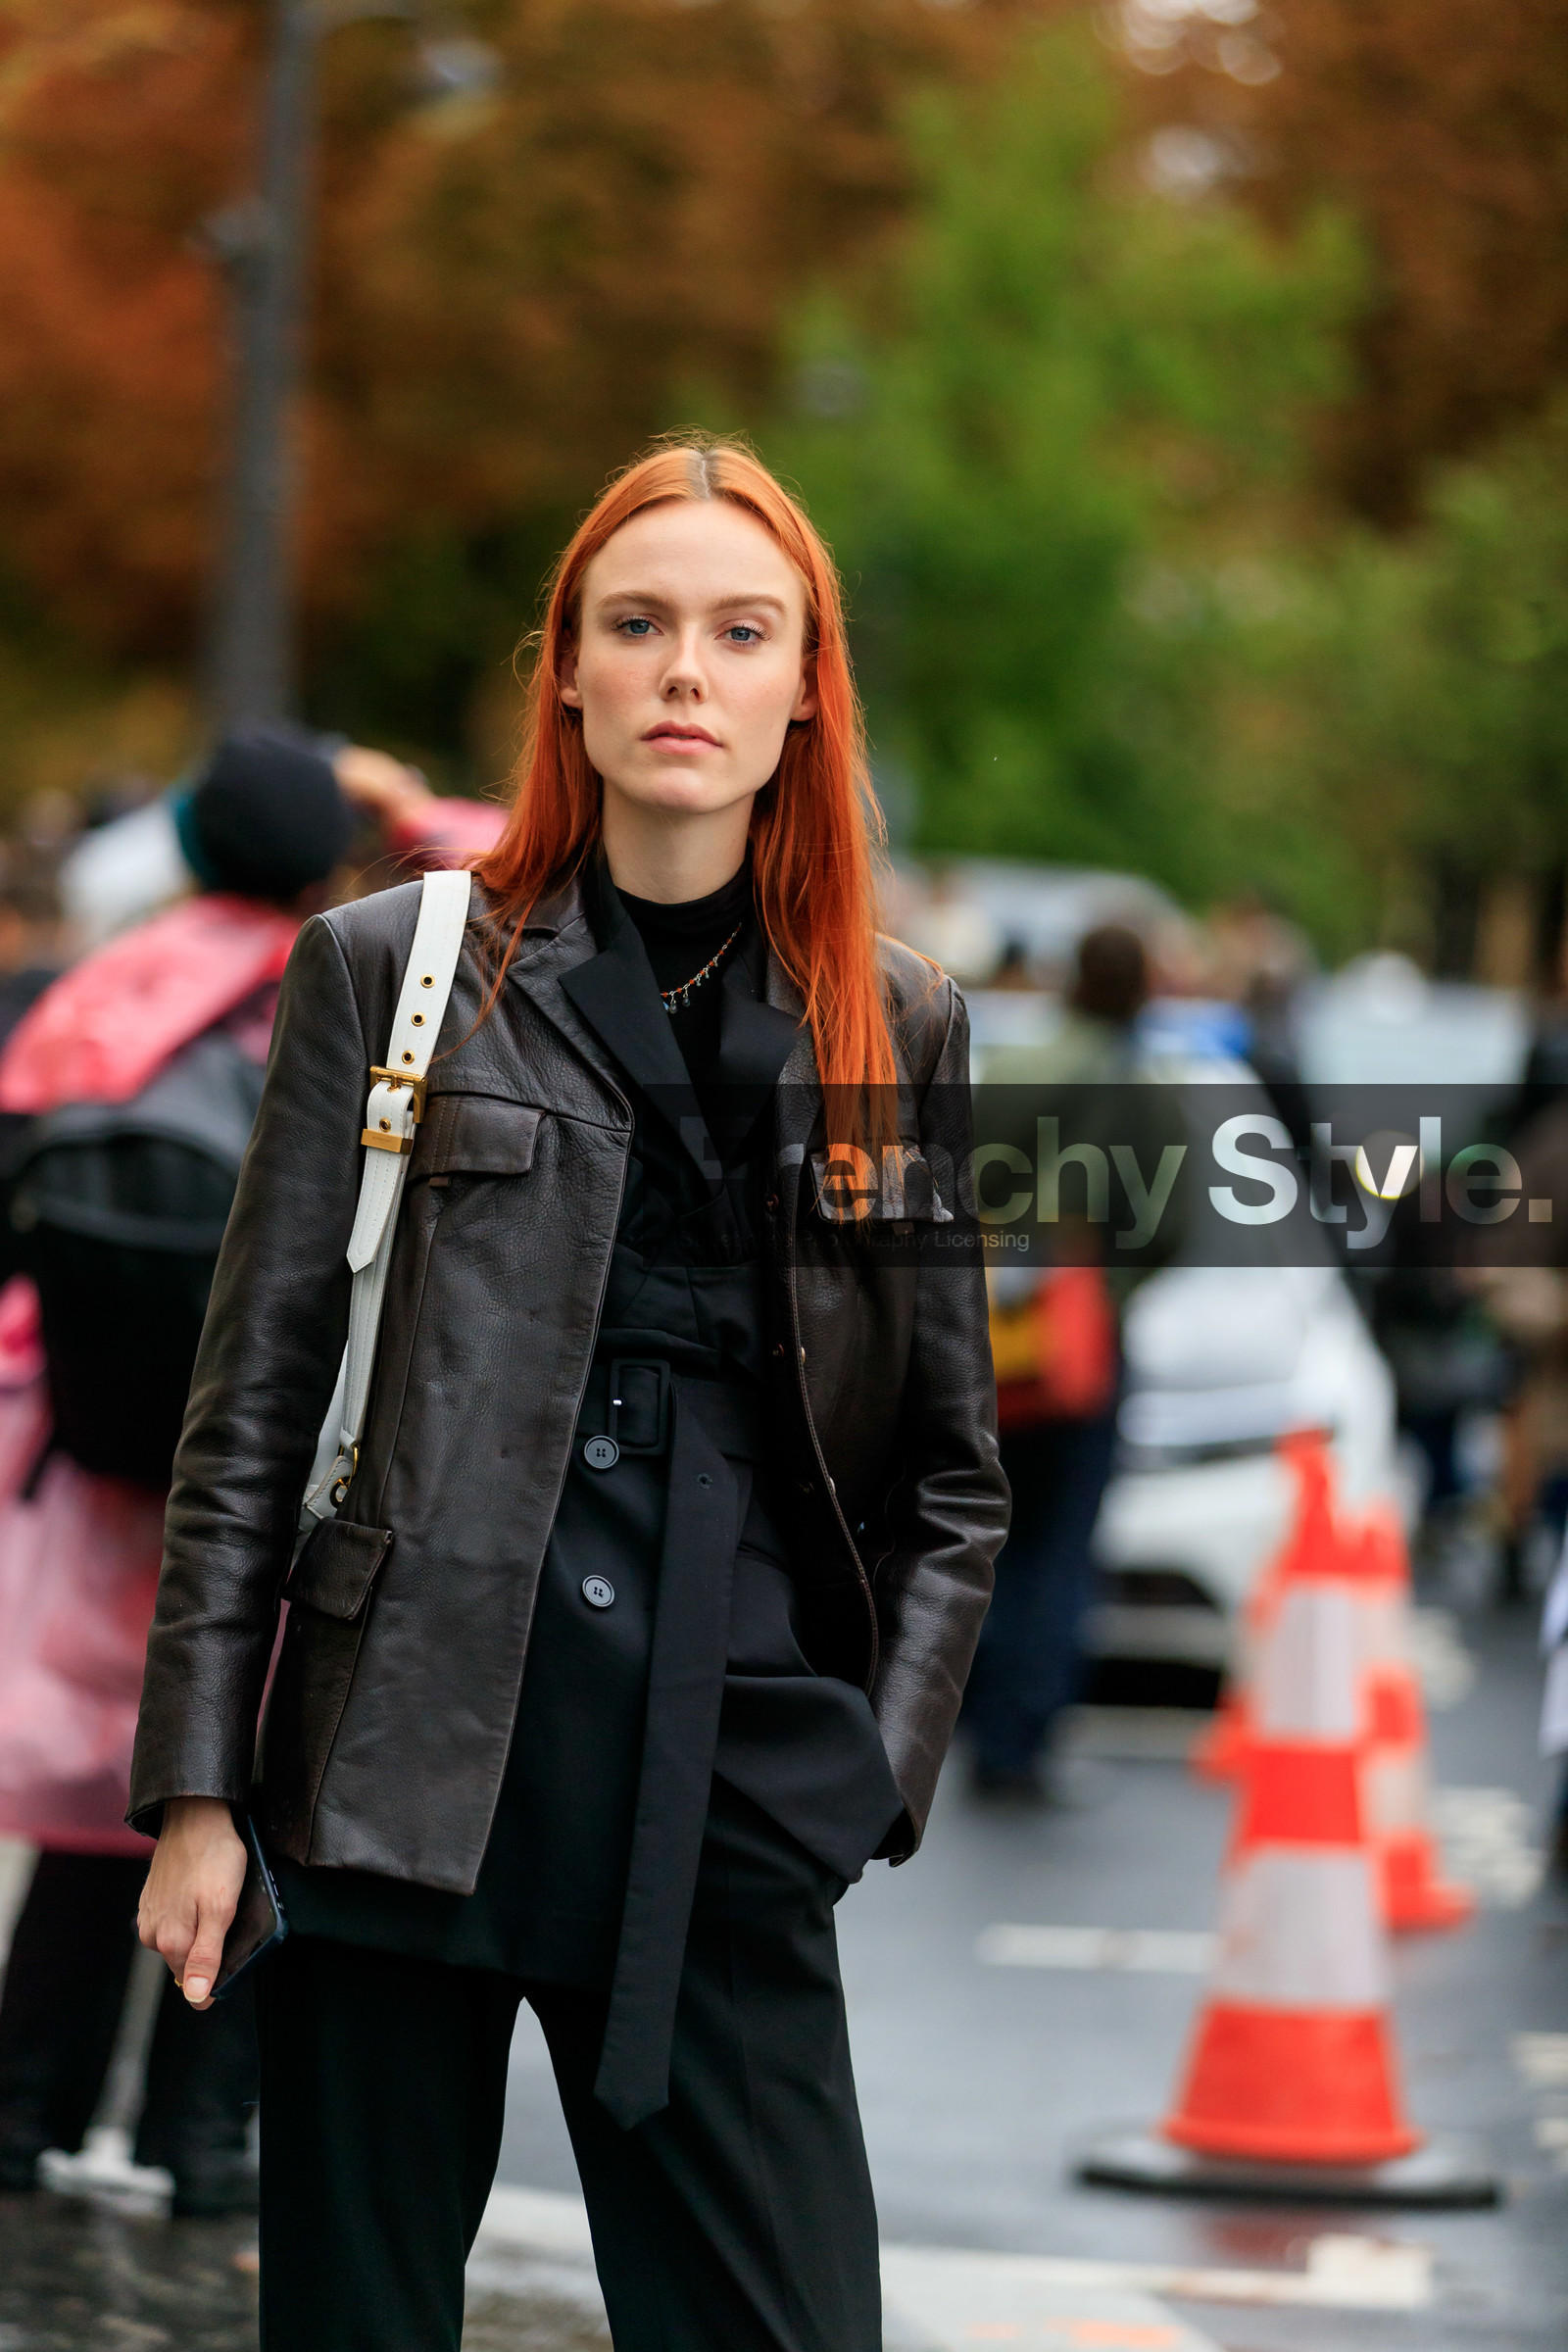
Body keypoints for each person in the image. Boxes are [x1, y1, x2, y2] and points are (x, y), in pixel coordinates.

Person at [129, 438, 1007, 2350]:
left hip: (727, 1775)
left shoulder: (896, 1017)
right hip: (398, 1773)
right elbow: (256, 1400)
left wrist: (873, 1773)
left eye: (736, 631)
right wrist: (198, 1788)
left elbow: (950, 1472)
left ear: (801, 690)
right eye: (639, 624)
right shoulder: (391, 969)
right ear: (570, 677)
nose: (685, 668)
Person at [0, 726, 462, 2213]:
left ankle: (19, 2119)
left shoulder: (96, 989)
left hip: (93, 1455)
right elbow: (534, 868)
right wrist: (400, 818)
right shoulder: (357, 977)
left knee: (97, 1803)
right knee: (255, 1786)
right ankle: (206, 2145)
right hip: (284, 1452)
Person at [964, 923, 1181, 1802]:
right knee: (1061, 1540)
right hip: (1081, 1334)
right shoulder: (1146, 1091)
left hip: (994, 1324)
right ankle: (1022, 1735)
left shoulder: (1016, 1065)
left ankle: (963, 1716)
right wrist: (1111, 1289)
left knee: (982, 1524)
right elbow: (1170, 1224)